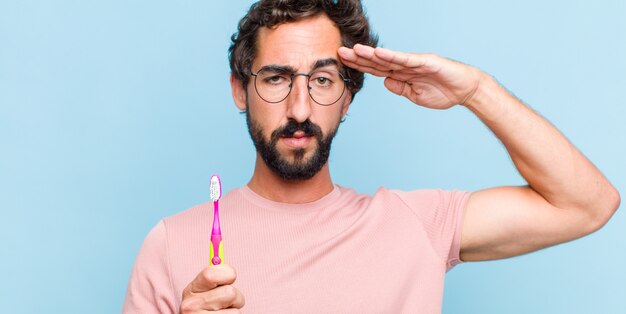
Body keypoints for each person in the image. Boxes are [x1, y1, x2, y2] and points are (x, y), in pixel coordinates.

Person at [123, 0, 620, 313]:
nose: (300, 108)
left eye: (322, 80)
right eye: (276, 78)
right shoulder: (172, 245)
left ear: (349, 95)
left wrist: (475, 89)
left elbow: (587, 205)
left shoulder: (414, 225)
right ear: (240, 90)